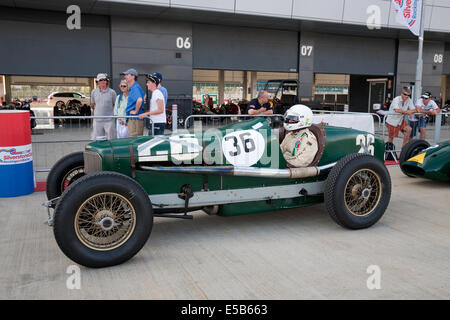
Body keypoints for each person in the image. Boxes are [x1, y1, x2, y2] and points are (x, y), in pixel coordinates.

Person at [90, 73, 117, 140]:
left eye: (104, 80)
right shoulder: (94, 92)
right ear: (98, 82)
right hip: (97, 121)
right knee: (97, 140)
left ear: (106, 81)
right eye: (101, 80)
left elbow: (115, 104)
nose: (103, 81)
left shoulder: (112, 92)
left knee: (111, 139)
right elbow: (92, 104)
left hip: (109, 120)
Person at [123, 68, 145, 137]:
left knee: (135, 141)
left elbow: (140, 99)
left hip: (135, 119)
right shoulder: (135, 87)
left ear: (133, 76)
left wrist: (136, 111)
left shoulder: (135, 87)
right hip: (134, 119)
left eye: (127, 75)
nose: (125, 76)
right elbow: (144, 95)